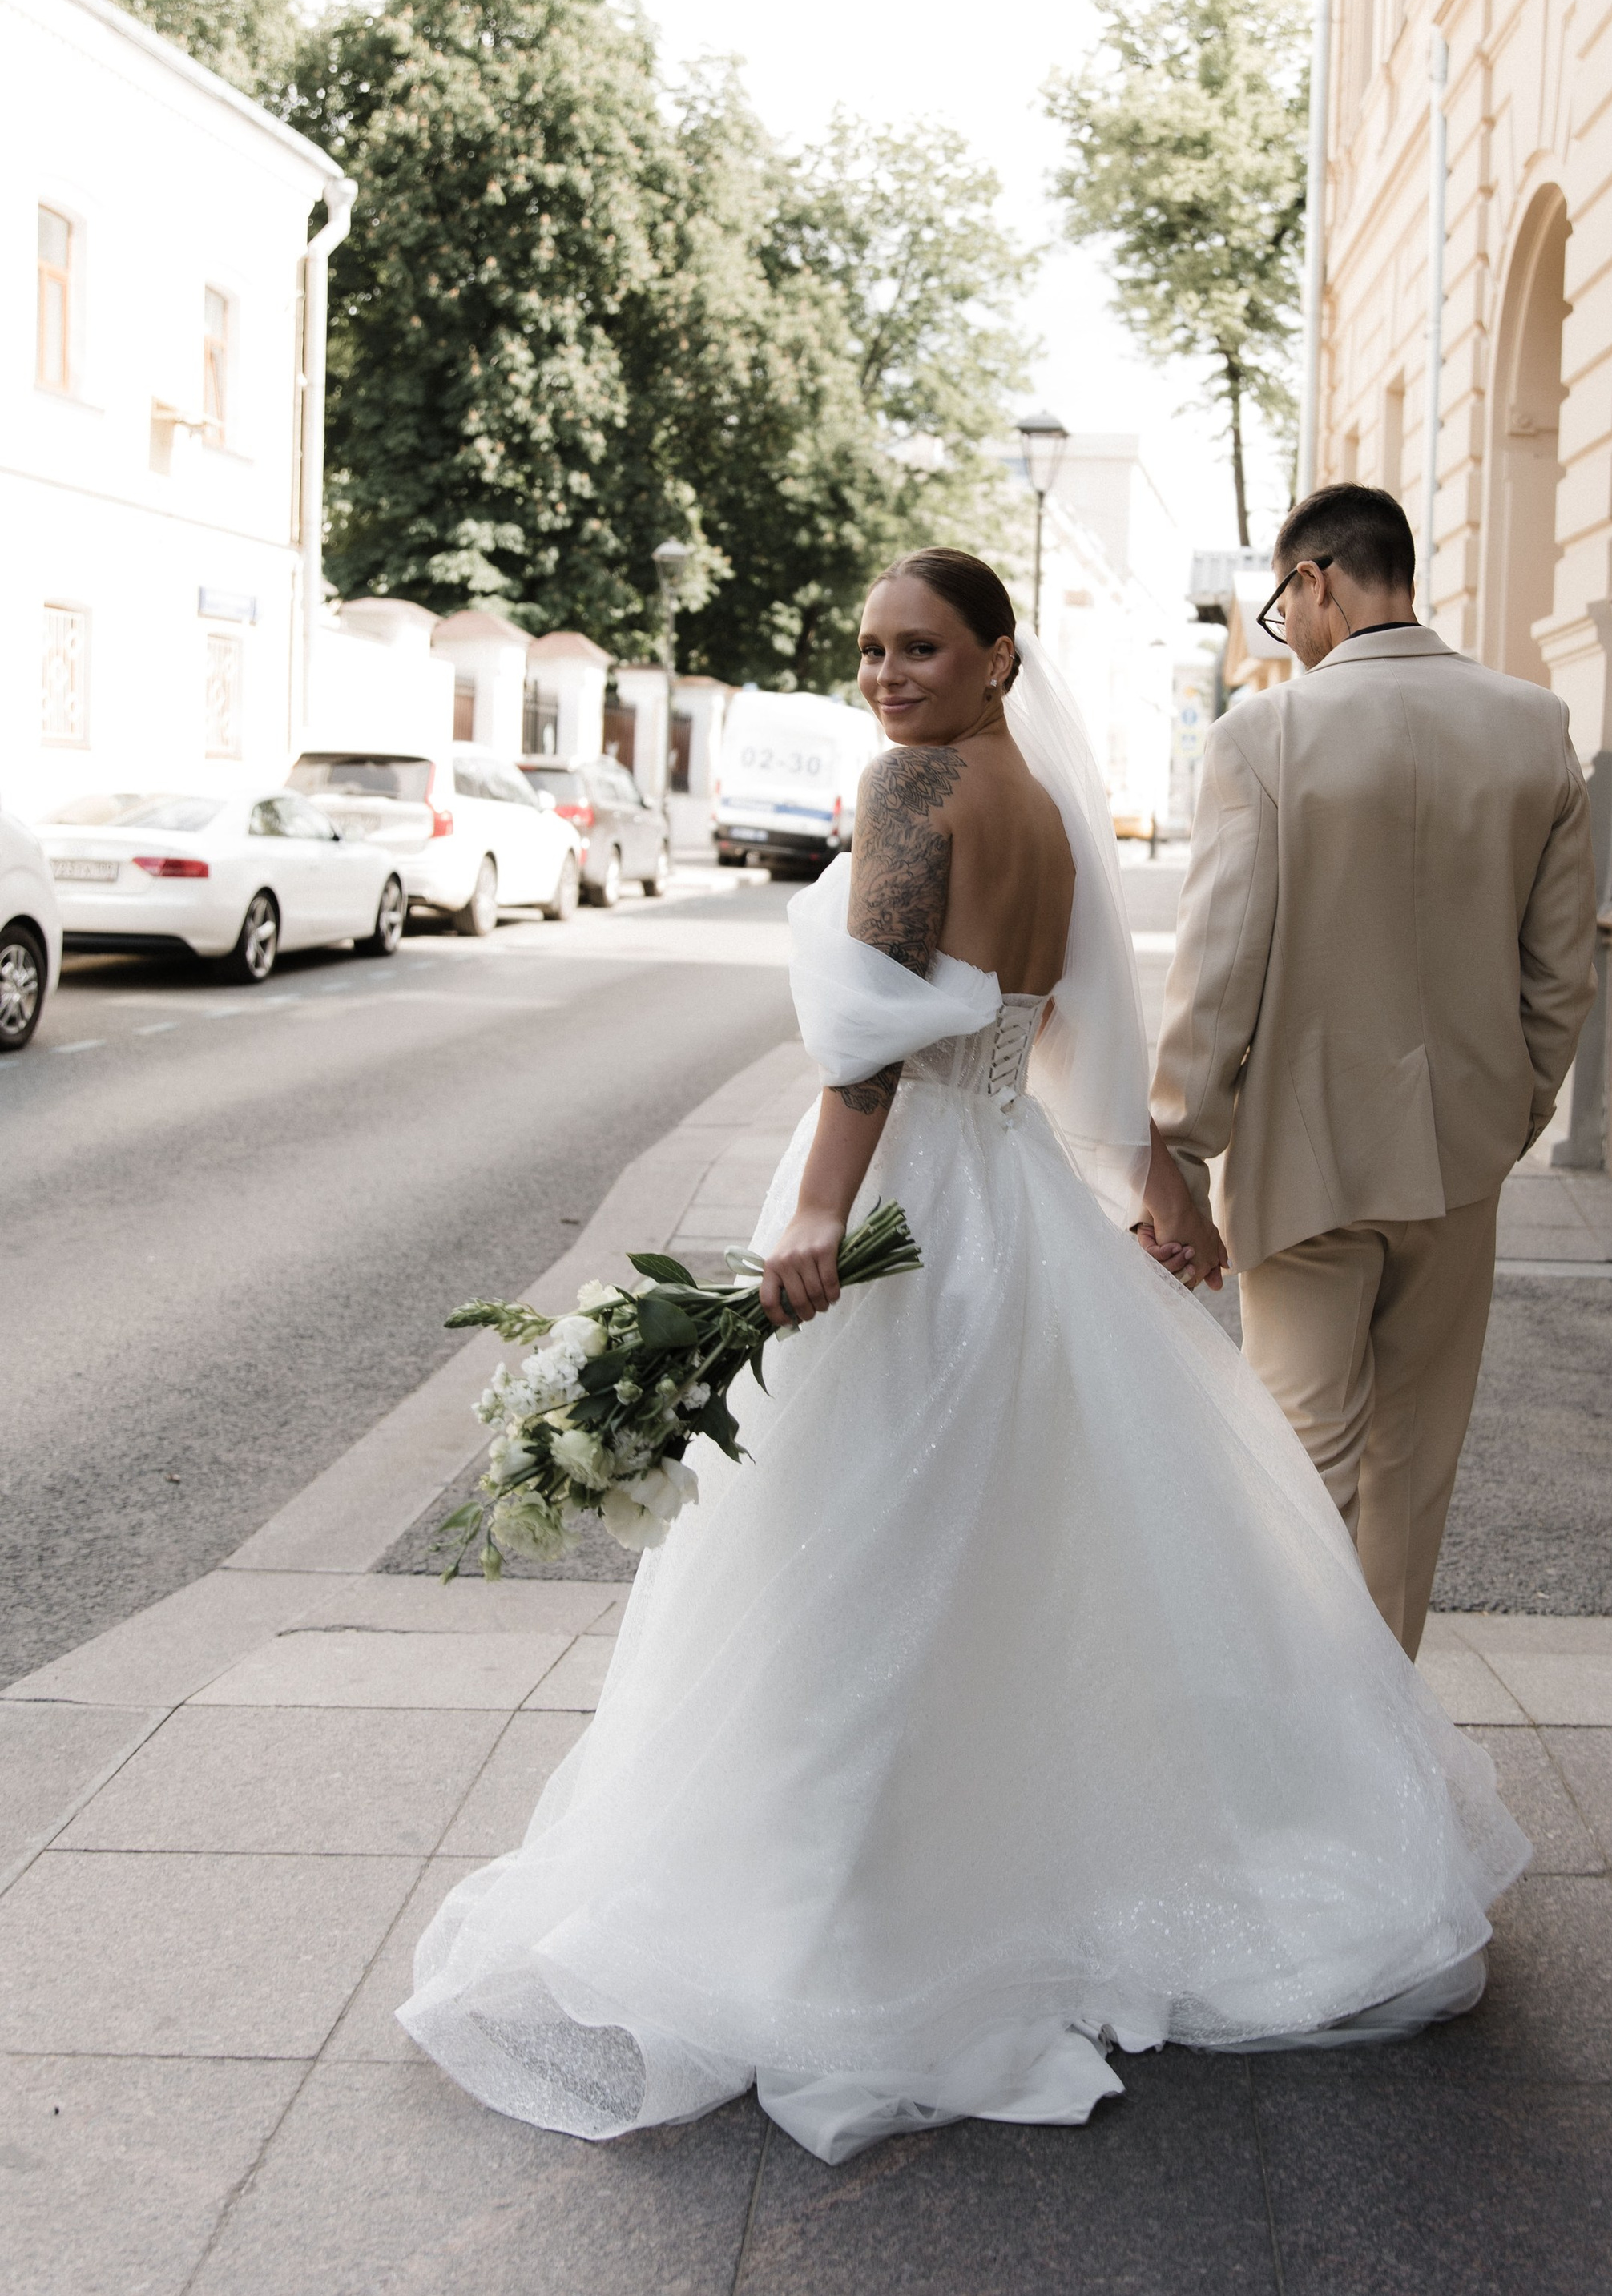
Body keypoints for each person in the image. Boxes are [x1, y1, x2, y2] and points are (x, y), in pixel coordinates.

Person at [400, 549, 1529, 2165]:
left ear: (1000, 654)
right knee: (993, 1551)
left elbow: (867, 1054)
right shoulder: (1046, 811)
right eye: (866, 648)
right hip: (1015, 1213)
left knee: (852, 1560)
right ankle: (1009, 1870)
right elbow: (1066, 1034)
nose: (883, 674)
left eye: (918, 646)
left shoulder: (912, 794)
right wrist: (1155, 1184)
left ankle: (859, 1917)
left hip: (921, 1204)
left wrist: (807, 1222)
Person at [1145, 484, 1598, 1662]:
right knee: (1413, 1469)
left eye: (1279, 610)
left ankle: (1296, 1752)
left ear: (1320, 584)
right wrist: (1511, 1112)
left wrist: (1178, 1145)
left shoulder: (1267, 736)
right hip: (1461, 1155)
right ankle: (1384, 1747)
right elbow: (1561, 977)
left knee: (1294, 1458)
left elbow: (1219, 966)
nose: (1282, 635)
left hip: (1304, 1156)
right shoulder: (1533, 725)